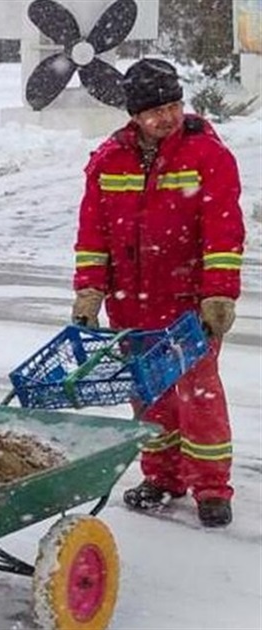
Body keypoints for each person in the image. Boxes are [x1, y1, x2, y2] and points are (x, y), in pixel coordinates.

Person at [71, 58, 245, 528]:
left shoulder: (208, 156)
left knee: (199, 395)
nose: (166, 117)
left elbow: (223, 232)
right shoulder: (108, 161)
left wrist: (218, 293)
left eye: (173, 105)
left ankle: (211, 487)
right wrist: (89, 291)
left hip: (189, 303)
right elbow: (94, 235)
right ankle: (163, 476)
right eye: (155, 110)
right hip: (131, 304)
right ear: (134, 114)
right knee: (149, 395)